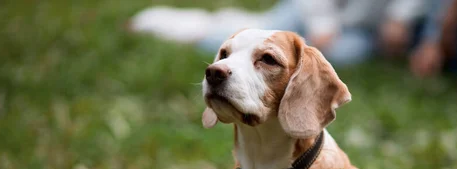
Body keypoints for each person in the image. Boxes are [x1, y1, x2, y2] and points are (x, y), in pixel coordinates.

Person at [130, 0, 431, 66]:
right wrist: (322, 25)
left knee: (346, 55)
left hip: (359, 28)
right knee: (253, 39)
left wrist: (400, 19)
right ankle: (181, 28)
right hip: (310, 12)